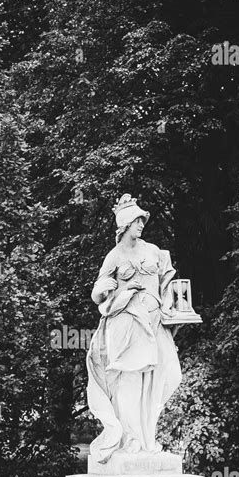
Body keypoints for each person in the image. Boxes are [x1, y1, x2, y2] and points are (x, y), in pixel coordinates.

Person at [87, 194, 182, 463]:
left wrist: (170, 308)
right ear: (125, 223)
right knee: (129, 382)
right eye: (137, 220)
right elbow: (97, 292)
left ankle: (147, 436)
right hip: (126, 323)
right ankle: (132, 439)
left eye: (142, 220)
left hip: (154, 324)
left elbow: (167, 285)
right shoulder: (114, 255)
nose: (141, 224)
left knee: (168, 376)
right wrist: (112, 290)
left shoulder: (153, 251)